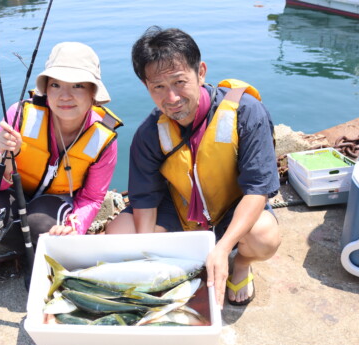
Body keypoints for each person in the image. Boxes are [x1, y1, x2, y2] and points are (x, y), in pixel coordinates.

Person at [106, 27, 281, 309]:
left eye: (179, 82)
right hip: (179, 210)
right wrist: (145, 256)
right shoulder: (149, 133)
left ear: (200, 72)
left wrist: (224, 249)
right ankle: (179, 262)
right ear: (147, 87)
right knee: (119, 233)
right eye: (158, 87)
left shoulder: (246, 112)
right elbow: (145, 197)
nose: (172, 98)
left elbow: (258, 189)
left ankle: (242, 264)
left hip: (230, 208)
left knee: (264, 236)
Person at [0, 42, 123, 285]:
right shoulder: (20, 114)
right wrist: (6, 157)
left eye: (77, 86)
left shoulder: (103, 138)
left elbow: (92, 197)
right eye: (55, 85)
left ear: (93, 93)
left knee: (40, 224)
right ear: (46, 88)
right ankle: (33, 252)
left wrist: (74, 227)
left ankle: (39, 256)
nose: (64, 96)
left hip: (57, 203)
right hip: (17, 193)